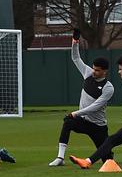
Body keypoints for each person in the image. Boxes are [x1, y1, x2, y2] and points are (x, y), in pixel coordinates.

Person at [49, 30, 114, 167]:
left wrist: (76, 113)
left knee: (107, 160)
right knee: (68, 122)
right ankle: (60, 158)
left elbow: (95, 106)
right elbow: (76, 58)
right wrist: (75, 42)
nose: (94, 71)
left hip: (98, 126)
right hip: (83, 121)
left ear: (105, 71)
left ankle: (108, 154)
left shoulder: (108, 87)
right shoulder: (88, 73)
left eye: (97, 70)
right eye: (93, 68)